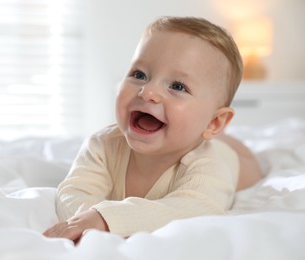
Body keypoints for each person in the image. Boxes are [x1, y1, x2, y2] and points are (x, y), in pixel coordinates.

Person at [43, 16, 262, 242]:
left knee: (247, 163)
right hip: (203, 135)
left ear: (214, 123)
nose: (148, 92)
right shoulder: (103, 144)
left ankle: (228, 141)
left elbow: (194, 208)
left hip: (229, 156)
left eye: (178, 86)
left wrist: (106, 218)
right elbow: (75, 190)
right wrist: (87, 221)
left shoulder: (209, 166)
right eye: (139, 75)